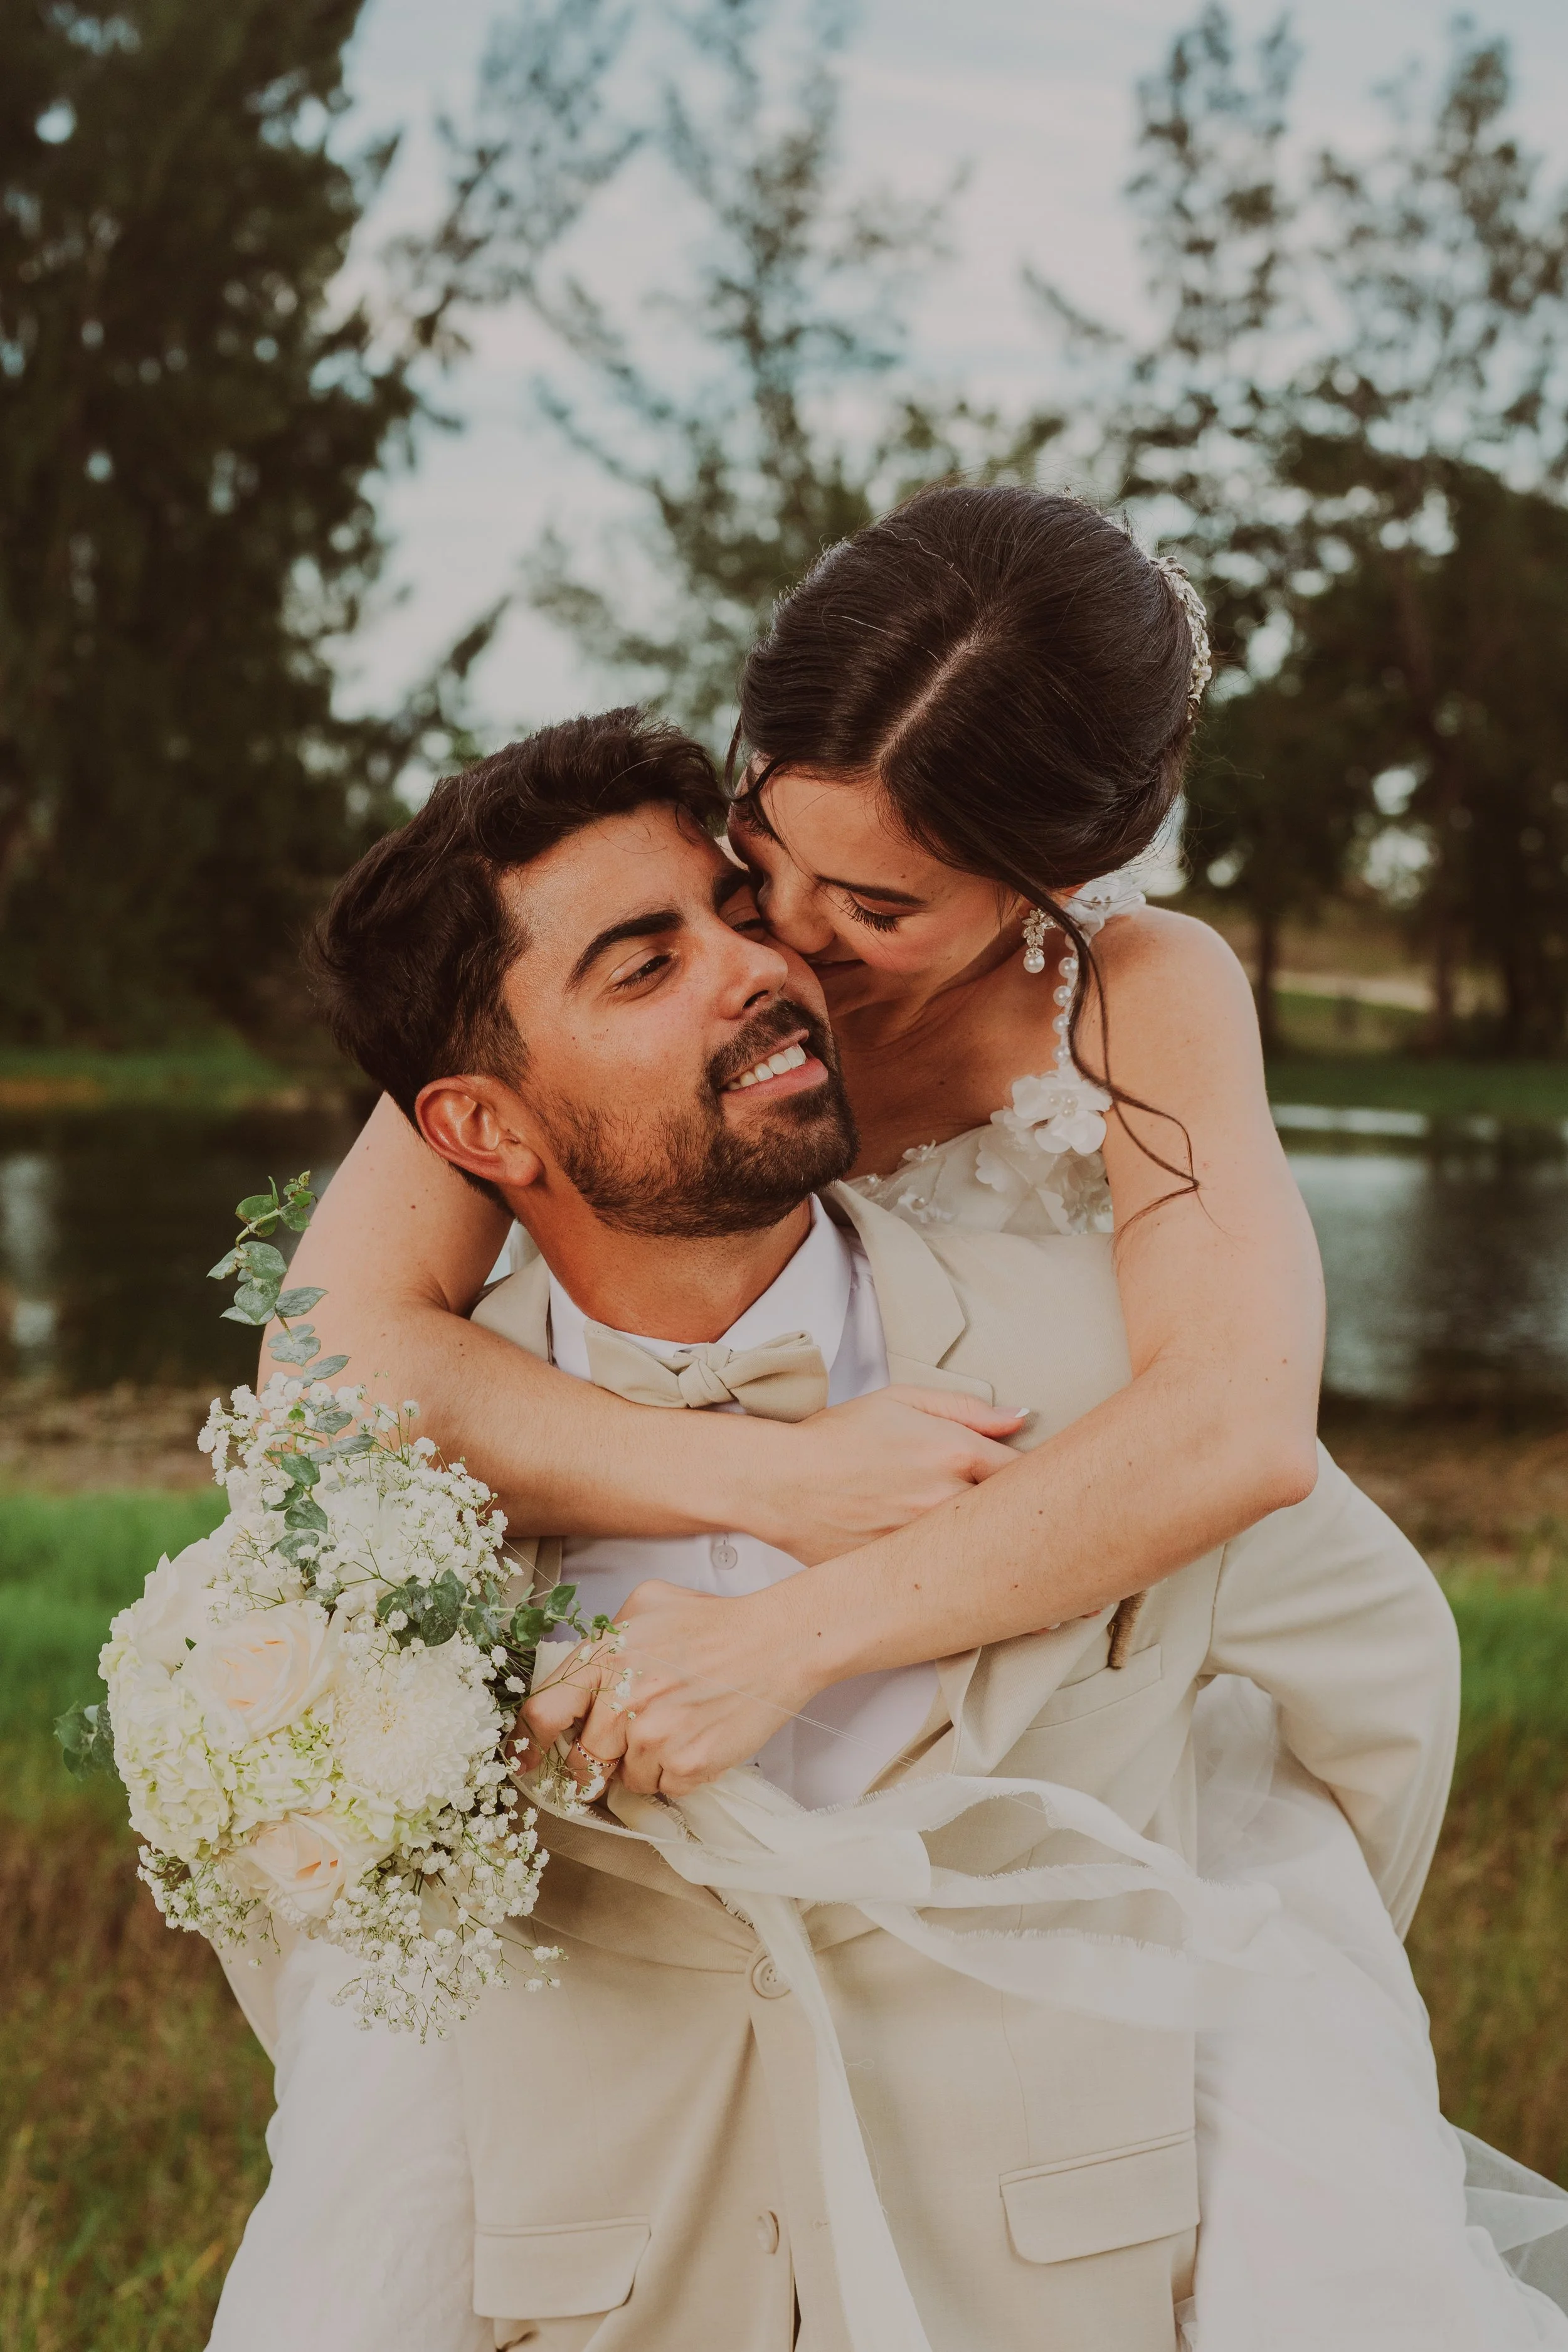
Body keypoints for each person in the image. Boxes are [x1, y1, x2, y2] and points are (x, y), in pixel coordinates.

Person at [208, 711, 1567, 2352]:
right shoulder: (386, 1501)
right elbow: (308, 1920)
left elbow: (1367, 1688)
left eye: (735, 909)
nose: (770, 964)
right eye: (647, 965)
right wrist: (766, 1485)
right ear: (485, 1136)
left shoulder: (1098, 1379)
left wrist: (1259, 1997)